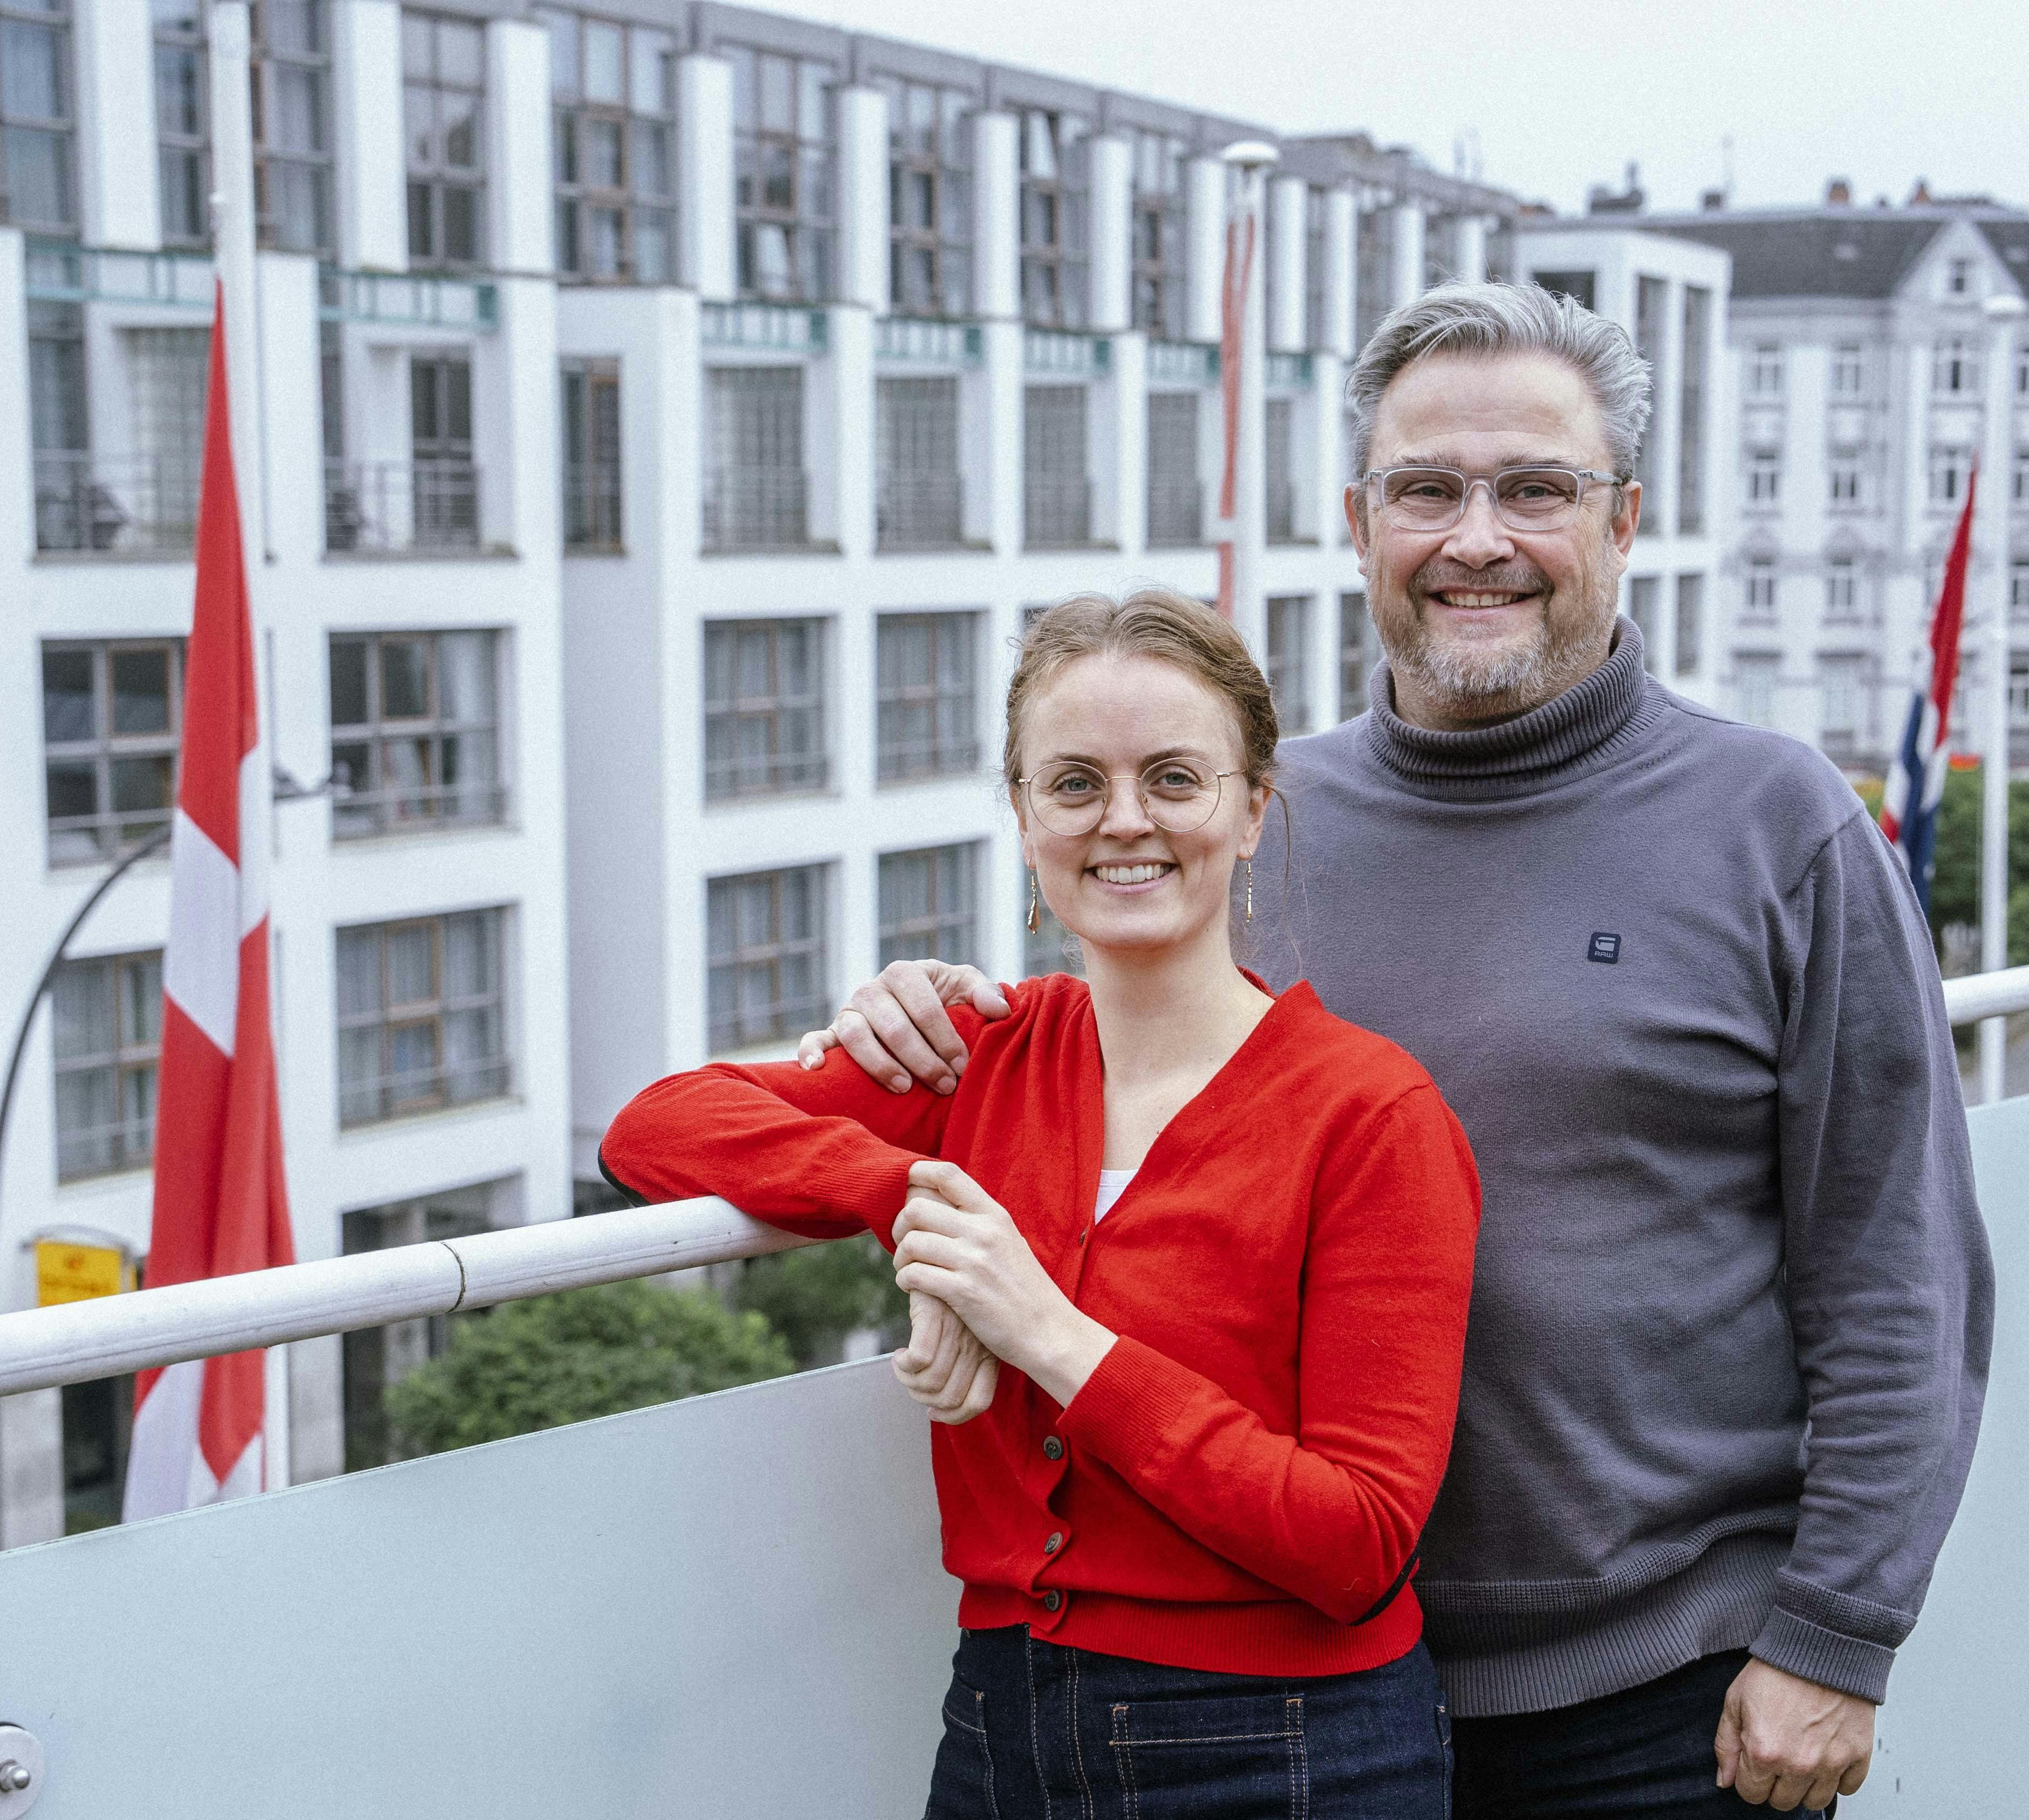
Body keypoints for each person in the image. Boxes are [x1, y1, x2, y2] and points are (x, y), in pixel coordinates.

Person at [802, 283, 1995, 1818]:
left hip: (1661, 1699)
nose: (1476, 538)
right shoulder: (1247, 822)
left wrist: (1841, 1631)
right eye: (1427, 490)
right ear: (1361, 521)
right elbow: (1097, 1113)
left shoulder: (1783, 828)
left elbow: (1900, 1270)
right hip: (1282, 1695)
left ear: (1624, 518)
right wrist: (901, 1027)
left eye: (1535, 490)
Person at [600, 590, 1483, 1818]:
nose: (1125, 819)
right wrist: (917, 1200)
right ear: (1024, 818)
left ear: (1251, 808)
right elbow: (655, 1127)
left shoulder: (1373, 1113)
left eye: (1174, 777)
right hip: (1002, 1720)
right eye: (1074, 783)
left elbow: (1358, 1540)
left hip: (1288, 1748)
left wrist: (1049, 1332)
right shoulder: (986, 1050)